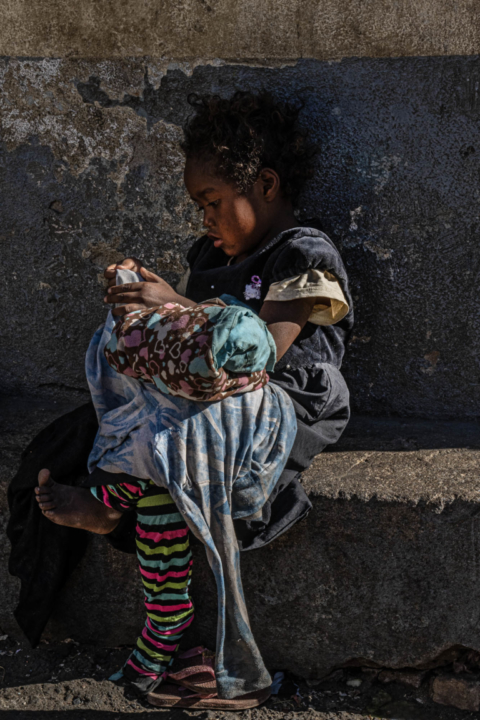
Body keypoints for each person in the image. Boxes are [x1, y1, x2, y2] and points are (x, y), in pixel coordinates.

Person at [34, 91, 353, 709]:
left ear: (265, 185)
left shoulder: (304, 254)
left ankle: (110, 502)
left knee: (174, 439)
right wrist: (138, 313)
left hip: (280, 403)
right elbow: (193, 352)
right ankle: (166, 624)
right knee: (161, 439)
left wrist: (174, 305)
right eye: (199, 207)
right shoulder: (209, 257)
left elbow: (260, 351)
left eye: (212, 202)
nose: (204, 220)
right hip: (213, 402)